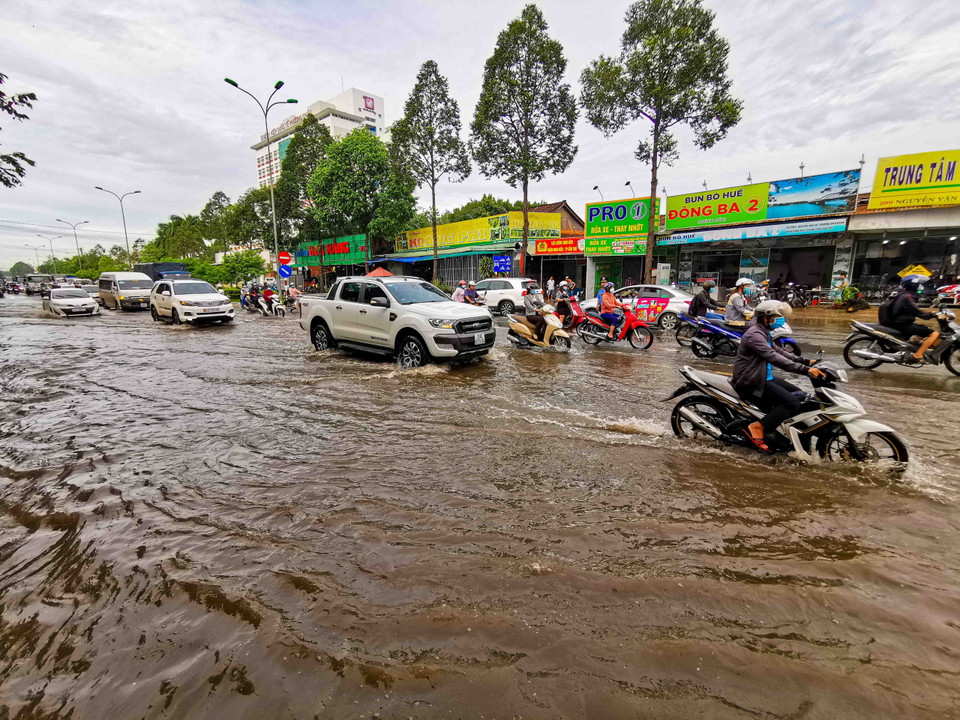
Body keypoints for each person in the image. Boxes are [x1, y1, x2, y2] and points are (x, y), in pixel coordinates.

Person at [733, 301, 825, 451]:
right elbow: (774, 358)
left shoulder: (764, 332)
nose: (780, 320)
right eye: (776, 317)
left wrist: (807, 361)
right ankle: (757, 427)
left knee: (803, 397)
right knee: (792, 403)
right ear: (765, 318)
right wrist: (805, 370)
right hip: (752, 381)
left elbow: (781, 352)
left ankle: (780, 429)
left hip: (764, 378)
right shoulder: (754, 335)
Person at [880, 274, 941, 363]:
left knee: (922, 329)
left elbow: (912, 309)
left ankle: (913, 345)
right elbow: (916, 312)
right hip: (902, 324)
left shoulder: (902, 295)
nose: (920, 287)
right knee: (934, 334)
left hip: (897, 322)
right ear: (913, 285)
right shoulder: (906, 297)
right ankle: (918, 354)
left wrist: (929, 313)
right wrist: (933, 315)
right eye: (918, 285)